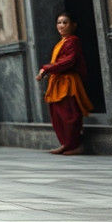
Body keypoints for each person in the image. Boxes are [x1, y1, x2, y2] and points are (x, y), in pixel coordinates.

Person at [36, 11, 92, 155]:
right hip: (58, 82)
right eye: (59, 23)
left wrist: (47, 68)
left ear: (73, 25)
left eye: (65, 22)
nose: (61, 26)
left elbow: (69, 61)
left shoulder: (73, 41)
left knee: (69, 114)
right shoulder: (61, 43)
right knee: (57, 114)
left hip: (68, 82)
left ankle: (75, 145)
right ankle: (66, 144)